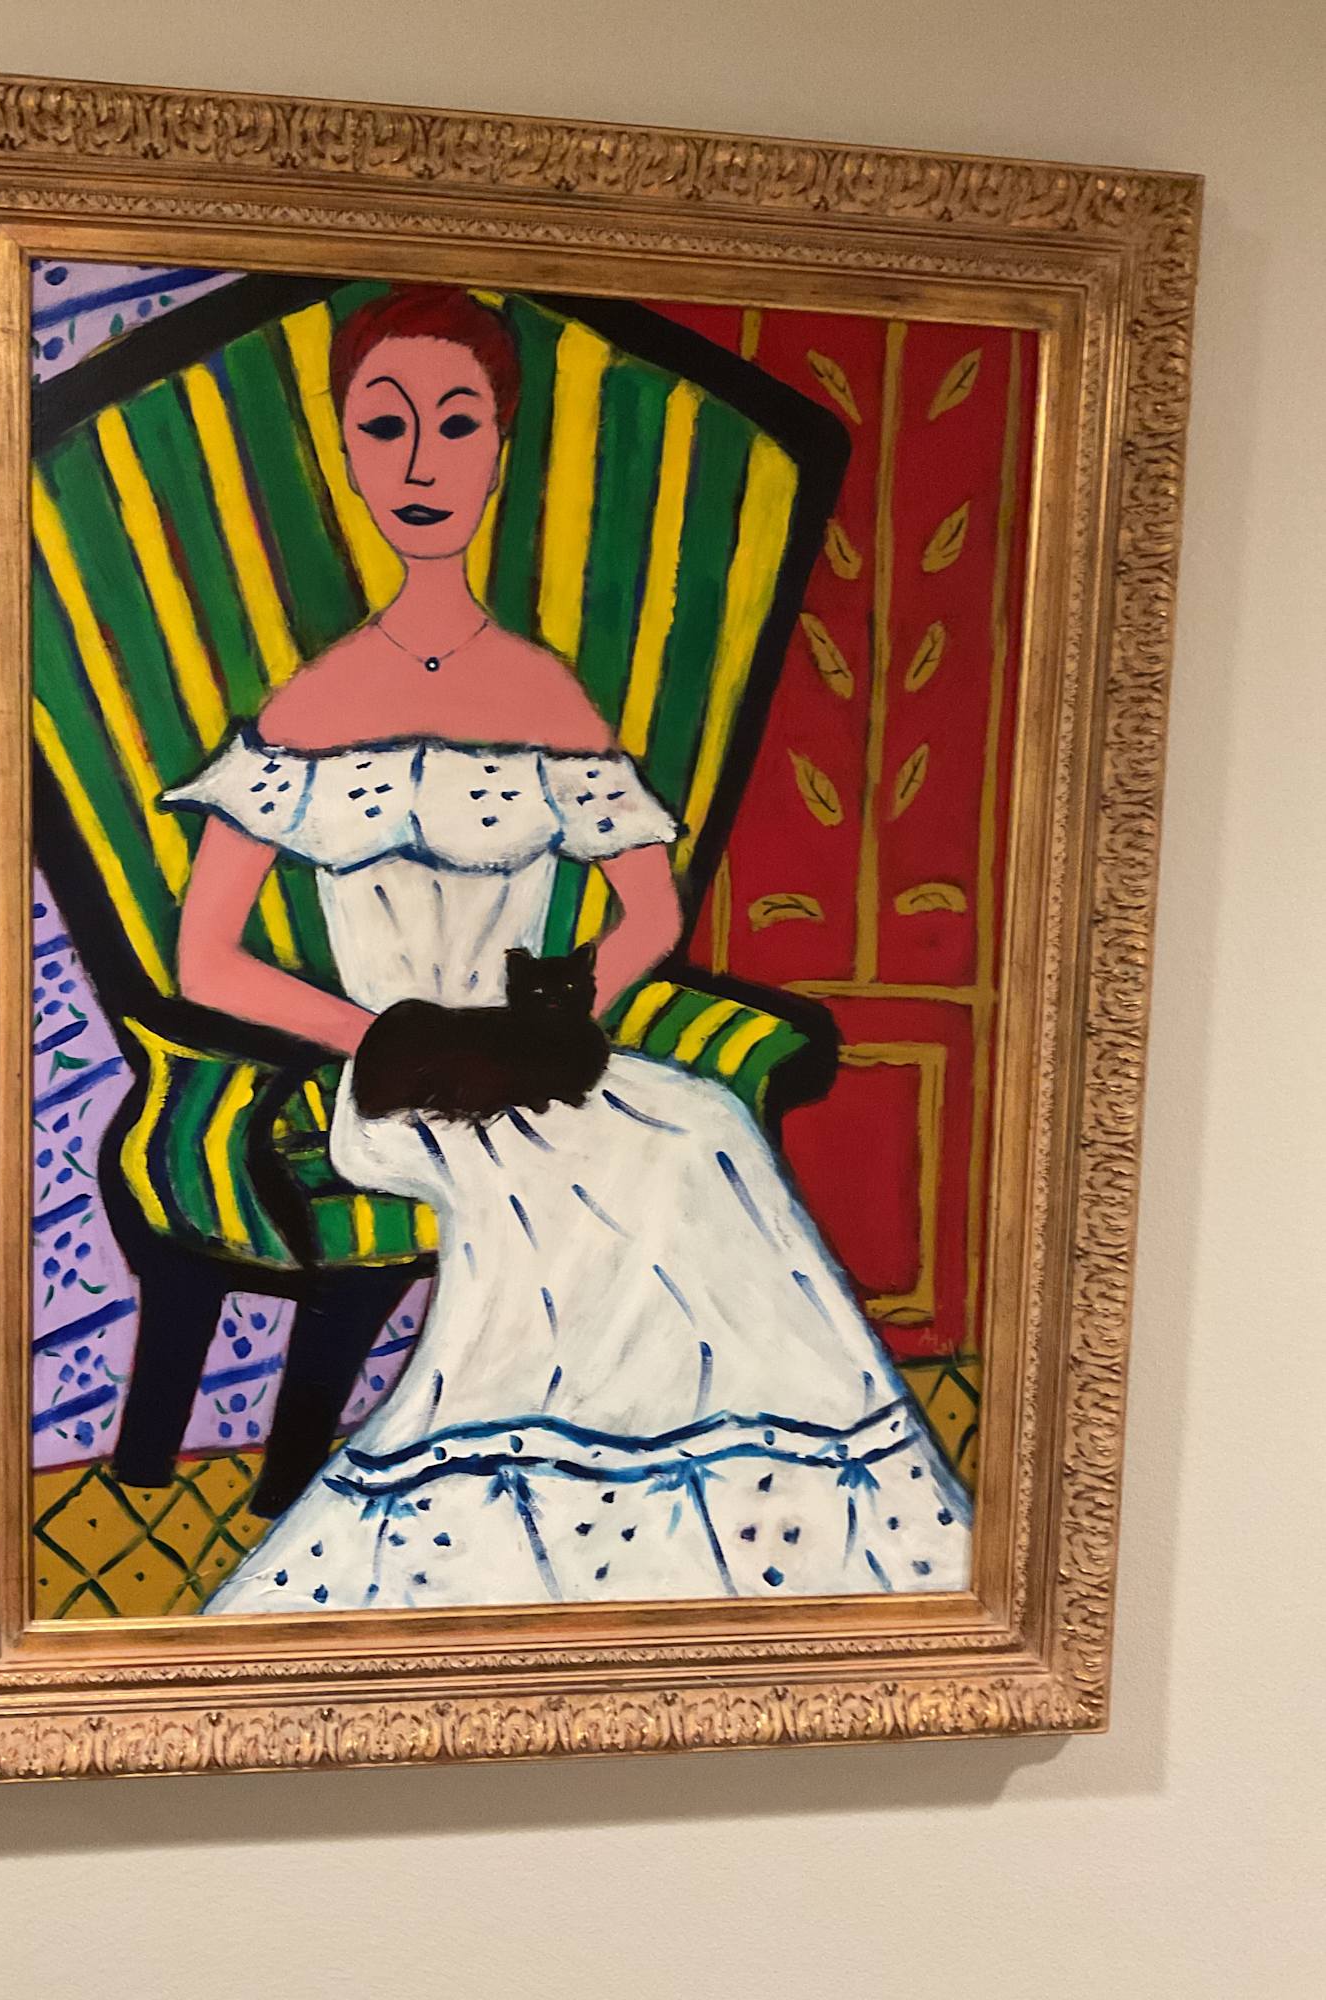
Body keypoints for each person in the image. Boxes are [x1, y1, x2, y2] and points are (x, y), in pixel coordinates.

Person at [163, 284, 970, 1611]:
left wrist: (554, 1014)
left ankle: (723, 1537)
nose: (422, 465)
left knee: (700, 1126)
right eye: (385, 427)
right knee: (598, 1172)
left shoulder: (544, 692)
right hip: (397, 1079)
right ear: (346, 450)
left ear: (500, 448)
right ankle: (510, 1521)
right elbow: (208, 960)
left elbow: (651, 912)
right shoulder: (309, 705)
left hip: (531, 1058)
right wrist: (392, 1039)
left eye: (457, 425)